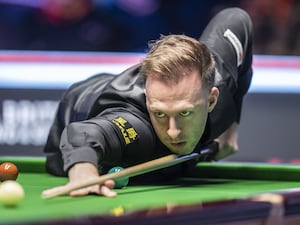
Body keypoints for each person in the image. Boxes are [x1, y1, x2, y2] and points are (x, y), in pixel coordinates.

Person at [43, 7, 253, 198]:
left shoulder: (221, 79)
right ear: (148, 100)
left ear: (212, 100)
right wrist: (84, 171)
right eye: (160, 114)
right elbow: (83, 134)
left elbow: (236, 18)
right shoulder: (136, 126)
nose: (172, 132)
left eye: (185, 113)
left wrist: (231, 125)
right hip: (78, 105)